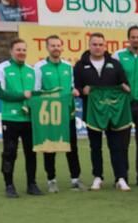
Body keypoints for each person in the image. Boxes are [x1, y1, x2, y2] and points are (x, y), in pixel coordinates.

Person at [74, 33, 133, 191]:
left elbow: (124, 83)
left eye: (100, 44)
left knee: (116, 146)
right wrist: (82, 90)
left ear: (105, 46)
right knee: (95, 146)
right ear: (89, 45)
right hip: (92, 112)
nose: (98, 47)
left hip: (113, 112)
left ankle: (120, 178)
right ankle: (97, 177)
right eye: (94, 44)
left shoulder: (115, 64)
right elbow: (77, 87)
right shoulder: (80, 65)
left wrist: (125, 87)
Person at [34, 34, 82, 193]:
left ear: (62, 47)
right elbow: (36, 90)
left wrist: (74, 90)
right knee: (50, 148)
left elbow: (72, 86)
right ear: (47, 48)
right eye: (52, 45)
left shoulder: (68, 66)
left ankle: (75, 179)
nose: (56, 48)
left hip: (68, 113)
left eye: (58, 45)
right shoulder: (39, 67)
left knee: (72, 147)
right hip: (50, 115)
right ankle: (51, 180)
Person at [0, 38, 40, 198]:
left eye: (24, 50)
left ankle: (32, 184)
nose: (21, 52)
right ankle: (9, 185)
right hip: (10, 118)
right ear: (11, 51)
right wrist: (21, 95)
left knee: (31, 153)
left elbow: (35, 93)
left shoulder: (31, 70)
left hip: (29, 119)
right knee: (9, 153)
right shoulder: (2, 68)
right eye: (18, 50)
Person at [114, 26, 138, 187]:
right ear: (128, 39)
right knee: (123, 142)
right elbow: (113, 78)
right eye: (133, 37)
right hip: (125, 105)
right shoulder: (118, 56)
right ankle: (123, 176)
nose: (136, 39)